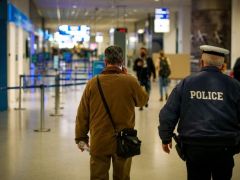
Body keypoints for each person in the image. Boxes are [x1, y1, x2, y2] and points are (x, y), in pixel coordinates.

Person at [158, 45, 240, 180]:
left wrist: (165, 137)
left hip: (194, 146)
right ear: (223, 66)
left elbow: (168, 112)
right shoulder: (234, 85)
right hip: (224, 146)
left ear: (202, 63)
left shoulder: (186, 83)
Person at [75, 45, 149, 180]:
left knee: (98, 176)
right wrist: (131, 79)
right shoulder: (130, 81)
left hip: (99, 139)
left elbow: (83, 113)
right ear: (122, 62)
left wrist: (81, 138)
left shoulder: (93, 83)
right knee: (122, 177)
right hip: (124, 141)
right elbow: (142, 101)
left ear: (105, 62)